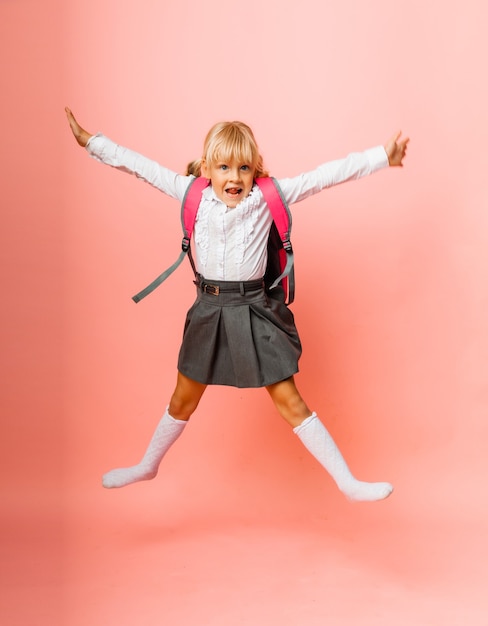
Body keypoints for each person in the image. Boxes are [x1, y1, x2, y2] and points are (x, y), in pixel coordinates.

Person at [65, 107, 408, 502]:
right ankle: (148, 465)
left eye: (244, 168)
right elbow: (140, 166)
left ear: (255, 170)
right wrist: (92, 142)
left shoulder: (267, 197)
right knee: (182, 399)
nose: (234, 177)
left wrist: (382, 157)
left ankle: (347, 482)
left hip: (255, 308)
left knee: (290, 400)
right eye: (225, 167)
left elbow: (324, 176)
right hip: (208, 310)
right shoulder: (190, 192)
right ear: (208, 169)